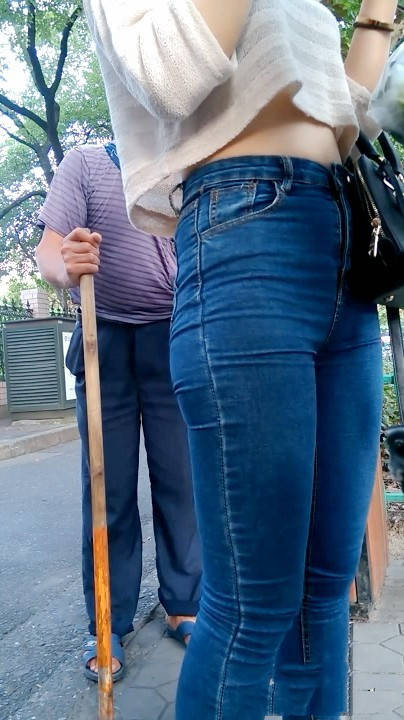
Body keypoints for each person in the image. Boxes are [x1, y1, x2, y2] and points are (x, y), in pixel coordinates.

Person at [83, 0, 398, 716]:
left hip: (340, 238)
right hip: (244, 231)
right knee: (252, 606)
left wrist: (378, 16)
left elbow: (343, 115)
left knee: (325, 589)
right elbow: (172, 74)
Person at [35, 142, 202, 682]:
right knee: (107, 489)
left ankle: (184, 604)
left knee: (181, 481)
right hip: (101, 337)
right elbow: (49, 251)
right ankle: (108, 621)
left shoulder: (186, 162)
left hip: (171, 336)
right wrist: (65, 265)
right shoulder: (85, 164)